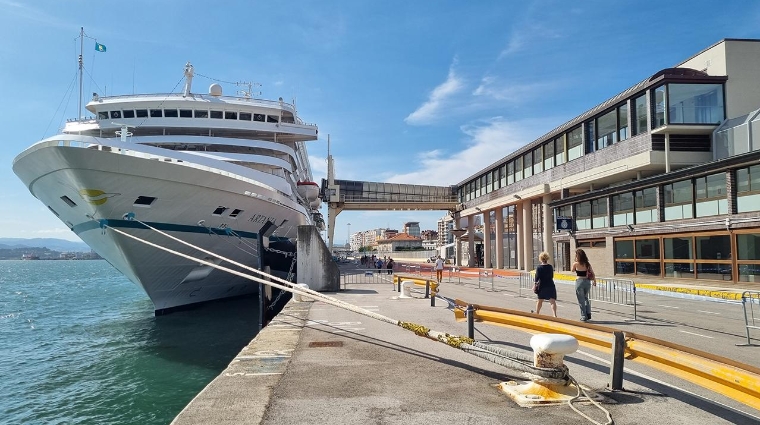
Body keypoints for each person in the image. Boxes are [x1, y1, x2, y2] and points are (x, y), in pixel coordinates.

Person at [571, 248, 596, 321]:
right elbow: (593, 273)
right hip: (587, 282)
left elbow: (572, 270)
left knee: (581, 300)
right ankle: (588, 313)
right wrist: (594, 281)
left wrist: (575, 263)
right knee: (586, 298)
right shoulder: (587, 264)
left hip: (579, 281)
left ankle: (584, 316)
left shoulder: (575, 264)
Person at [534, 251, 557, 317]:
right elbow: (552, 276)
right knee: (552, 301)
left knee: (540, 300)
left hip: (542, 286)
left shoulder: (539, 267)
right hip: (550, 285)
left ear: (540, 258)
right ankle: (554, 315)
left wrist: (535, 285)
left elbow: (537, 277)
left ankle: (537, 313)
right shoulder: (550, 267)